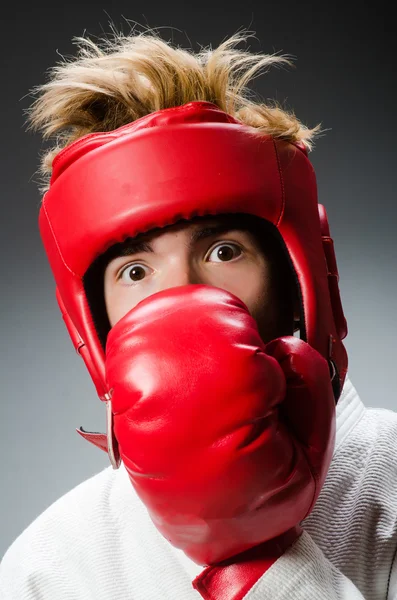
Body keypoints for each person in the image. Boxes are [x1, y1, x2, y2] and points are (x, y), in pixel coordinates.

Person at [1, 29, 396, 600]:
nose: (183, 295)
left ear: (295, 277)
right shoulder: (52, 564)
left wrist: (253, 557)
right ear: (96, 322)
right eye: (135, 272)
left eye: (223, 252)